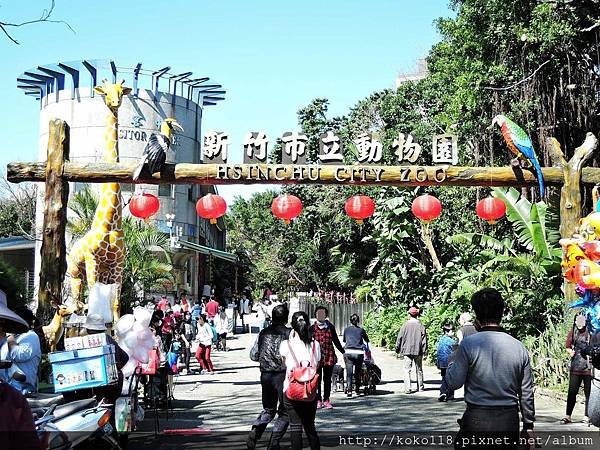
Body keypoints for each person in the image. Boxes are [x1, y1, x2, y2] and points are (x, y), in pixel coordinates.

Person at [446, 288, 535, 450]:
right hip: (508, 421)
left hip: (477, 419)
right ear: (501, 313)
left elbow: (453, 383)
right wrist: (528, 426)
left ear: (476, 315)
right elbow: (526, 391)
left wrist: (453, 358)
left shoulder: (468, 345)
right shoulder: (518, 347)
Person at [0, 290, 40, 450]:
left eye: (1, 327)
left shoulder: (30, 337)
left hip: (21, 387)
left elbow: (17, 355)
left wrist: (9, 341)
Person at [247, 304, 291, 450]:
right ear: (286, 317)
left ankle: (257, 429)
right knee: (285, 411)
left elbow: (253, 355)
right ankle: (274, 442)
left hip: (265, 375)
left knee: (268, 409)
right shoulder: (289, 333)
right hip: (283, 376)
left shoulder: (263, 333)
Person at [280, 311, 321, 450]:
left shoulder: (286, 345)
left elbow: (283, 364)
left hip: (291, 389)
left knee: (295, 426)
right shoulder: (316, 345)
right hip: (310, 390)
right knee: (310, 426)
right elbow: (318, 364)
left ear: (292, 326)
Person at [0, 306, 41, 395]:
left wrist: (10, 337)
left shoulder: (31, 336)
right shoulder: (12, 338)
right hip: (6, 388)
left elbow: (18, 355)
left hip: (21, 389)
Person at [309, 306, 344, 409]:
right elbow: (308, 342)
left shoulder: (330, 327)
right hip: (317, 358)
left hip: (329, 356)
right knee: (317, 380)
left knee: (327, 379)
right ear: (315, 315)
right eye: (318, 313)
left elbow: (336, 341)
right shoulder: (312, 328)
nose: (320, 315)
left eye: (322, 313)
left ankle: (327, 399)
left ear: (326, 315)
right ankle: (318, 399)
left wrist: (343, 351)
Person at [561, 313, 593, 425]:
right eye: (578, 321)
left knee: (588, 393)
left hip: (588, 367)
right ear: (575, 322)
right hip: (575, 366)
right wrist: (570, 351)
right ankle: (568, 415)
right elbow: (567, 345)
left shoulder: (591, 332)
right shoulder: (573, 332)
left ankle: (587, 416)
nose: (579, 324)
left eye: (582, 321)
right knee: (572, 392)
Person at [395, 306, 427, 394]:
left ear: (409, 314)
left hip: (407, 350)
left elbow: (399, 337)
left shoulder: (405, 325)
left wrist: (397, 348)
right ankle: (420, 387)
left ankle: (408, 388)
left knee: (407, 370)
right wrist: (425, 351)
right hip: (418, 350)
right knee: (419, 369)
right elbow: (424, 340)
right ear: (417, 315)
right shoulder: (421, 325)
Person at [342, 313, 369, 398]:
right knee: (357, 372)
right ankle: (357, 389)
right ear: (358, 321)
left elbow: (344, 340)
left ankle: (349, 391)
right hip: (358, 353)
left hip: (348, 352)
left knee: (349, 373)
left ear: (350, 321)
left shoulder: (346, 330)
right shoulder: (361, 330)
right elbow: (367, 340)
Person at [437, 323, 457, 402]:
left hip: (442, 363)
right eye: (452, 331)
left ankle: (442, 392)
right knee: (451, 379)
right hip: (450, 362)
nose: (453, 333)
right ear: (447, 332)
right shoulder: (452, 342)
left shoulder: (441, 340)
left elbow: (438, 351)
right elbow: (456, 352)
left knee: (444, 378)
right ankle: (450, 395)